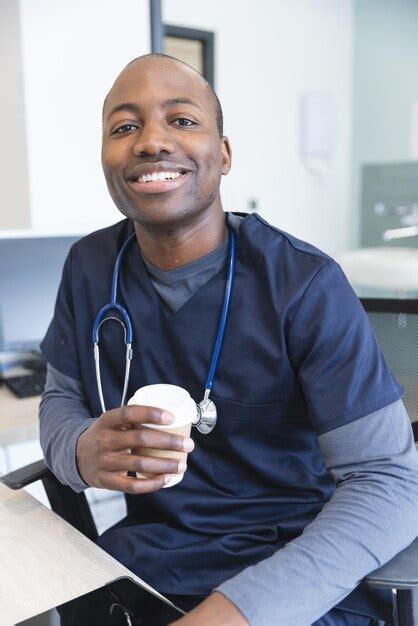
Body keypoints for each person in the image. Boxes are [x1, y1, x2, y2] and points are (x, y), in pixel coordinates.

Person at [39, 53, 418, 626]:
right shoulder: (90, 266)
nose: (151, 142)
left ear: (224, 153)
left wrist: (239, 612)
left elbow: (388, 481)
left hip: (292, 579)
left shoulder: (303, 284)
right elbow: (60, 400)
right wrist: (78, 450)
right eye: (124, 127)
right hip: (145, 568)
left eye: (183, 120)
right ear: (105, 158)